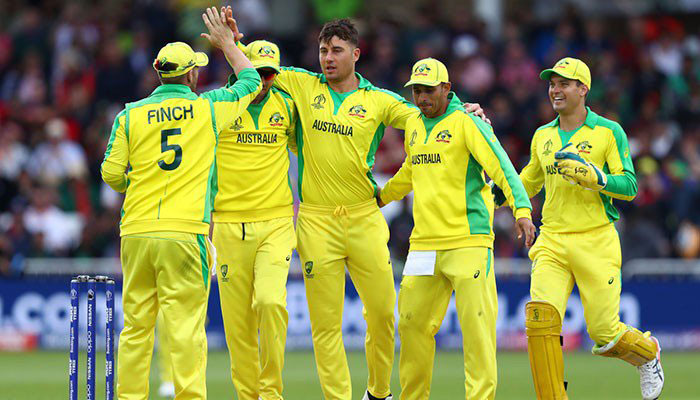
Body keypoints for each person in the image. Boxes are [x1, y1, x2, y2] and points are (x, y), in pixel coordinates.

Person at [226, 11, 489, 400]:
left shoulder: (378, 100)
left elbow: (430, 111)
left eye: (336, 50)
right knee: (325, 326)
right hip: (316, 222)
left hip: (365, 217)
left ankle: (378, 392)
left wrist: (464, 109)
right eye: (323, 50)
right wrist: (234, 43)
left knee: (382, 315)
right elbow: (257, 70)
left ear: (356, 54)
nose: (328, 58)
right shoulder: (301, 83)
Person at [100, 7, 261, 399]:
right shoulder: (208, 108)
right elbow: (252, 80)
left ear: (160, 75)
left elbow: (111, 174)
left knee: (136, 327)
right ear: (191, 76)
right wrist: (228, 44)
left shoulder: (129, 115)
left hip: (137, 233)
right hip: (185, 233)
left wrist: (140, 183)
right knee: (186, 328)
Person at [493, 57, 664, 400]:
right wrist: (496, 194)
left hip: (596, 239)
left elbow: (630, 186)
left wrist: (595, 177)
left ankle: (647, 353)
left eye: (564, 84)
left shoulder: (608, 132)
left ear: (583, 89)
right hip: (552, 239)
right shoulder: (543, 135)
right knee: (540, 322)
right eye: (552, 84)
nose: (555, 90)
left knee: (605, 334)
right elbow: (530, 180)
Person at [378, 58, 536, 400]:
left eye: (428, 90)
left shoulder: (468, 122)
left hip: (469, 241)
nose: (422, 98)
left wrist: (522, 209)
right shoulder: (415, 125)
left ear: (446, 88)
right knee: (411, 323)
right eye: (416, 91)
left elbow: (502, 165)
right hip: (424, 245)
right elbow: (411, 170)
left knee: (477, 329)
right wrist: (380, 197)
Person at [212, 39, 297, 400]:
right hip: (228, 225)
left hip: (276, 221)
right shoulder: (221, 104)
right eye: (256, 72)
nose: (263, 81)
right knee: (238, 326)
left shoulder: (287, 106)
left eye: (269, 74)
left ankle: (272, 392)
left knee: (269, 302)